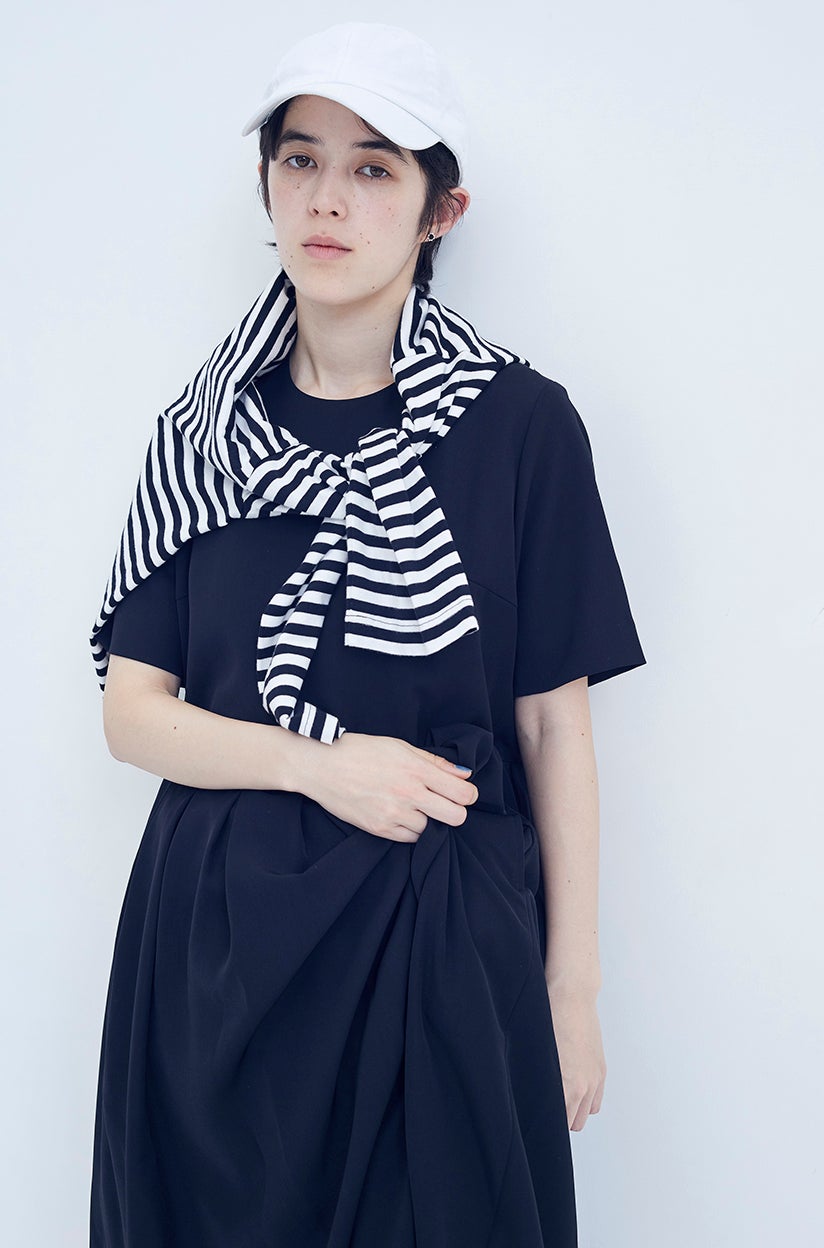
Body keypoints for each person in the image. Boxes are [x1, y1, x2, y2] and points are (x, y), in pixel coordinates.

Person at [88, 21, 646, 1248]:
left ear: (441, 210)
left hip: (438, 950)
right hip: (213, 965)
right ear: (266, 184)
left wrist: (572, 988)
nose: (327, 199)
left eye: (373, 166)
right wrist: (316, 766)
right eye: (300, 159)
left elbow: (552, 726)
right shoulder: (199, 437)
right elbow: (132, 713)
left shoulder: (519, 427)